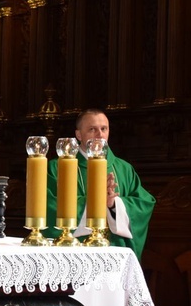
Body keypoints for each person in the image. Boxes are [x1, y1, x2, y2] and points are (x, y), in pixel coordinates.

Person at [44, 108, 155, 258]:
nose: (100, 134)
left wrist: (114, 204)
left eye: (104, 129)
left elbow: (143, 205)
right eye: (92, 129)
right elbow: (47, 204)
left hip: (114, 252)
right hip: (75, 254)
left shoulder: (124, 169)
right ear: (78, 135)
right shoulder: (57, 168)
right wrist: (93, 201)